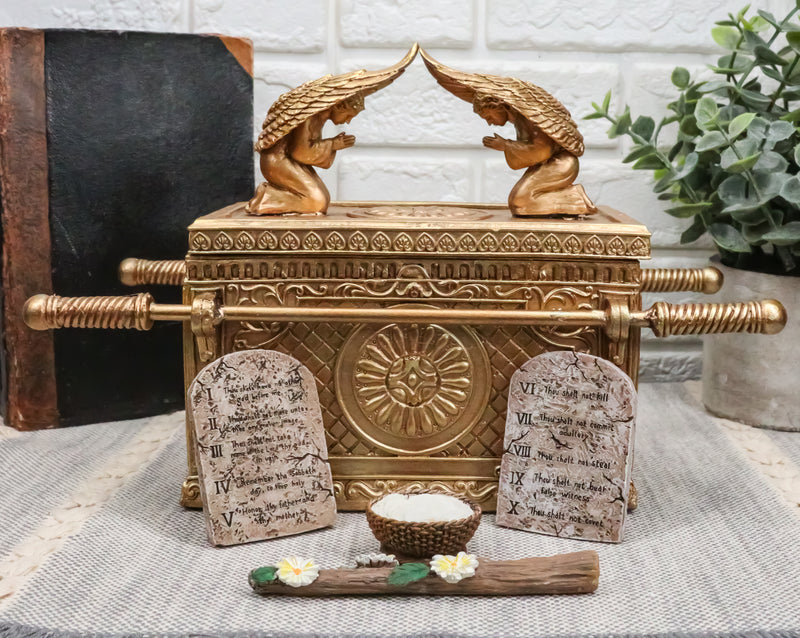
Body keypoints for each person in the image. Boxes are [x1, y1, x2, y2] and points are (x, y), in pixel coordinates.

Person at [473, 92, 596, 216]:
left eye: (488, 116)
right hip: (545, 164)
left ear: (500, 107)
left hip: (560, 163)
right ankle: (573, 198)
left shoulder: (531, 118)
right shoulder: (520, 120)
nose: (489, 122)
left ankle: (576, 199)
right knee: (518, 201)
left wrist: (506, 145)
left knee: (520, 202)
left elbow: (542, 151)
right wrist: (506, 146)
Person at [246, 95, 365, 215]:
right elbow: (300, 153)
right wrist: (333, 144)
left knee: (323, 199)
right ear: (338, 106)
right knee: (317, 202)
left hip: (290, 160)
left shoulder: (318, 116)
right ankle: (266, 199)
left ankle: (273, 196)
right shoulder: (309, 117)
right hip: (278, 161)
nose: (348, 121)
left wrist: (332, 144)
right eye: (348, 115)